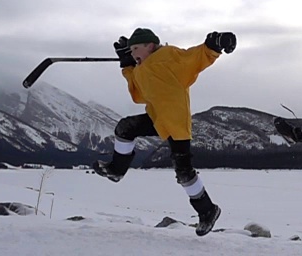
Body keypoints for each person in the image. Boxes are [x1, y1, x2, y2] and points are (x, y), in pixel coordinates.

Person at [93, 27, 237, 236]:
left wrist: (215, 44)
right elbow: (139, 94)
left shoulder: (169, 57)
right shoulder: (142, 69)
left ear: (150, 46)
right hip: (157, 118)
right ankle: (117, 169)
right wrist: (127, 63)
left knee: (184, 171)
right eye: (130, 50)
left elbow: (194, 58)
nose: (133, 53)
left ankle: (208, 211)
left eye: (135, 48)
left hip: (176, 123)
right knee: (125, 128)